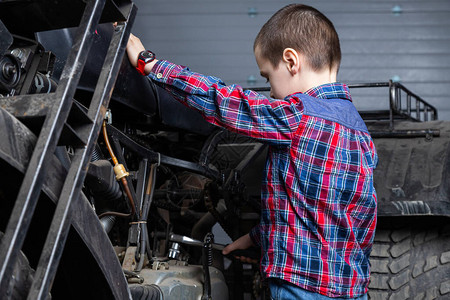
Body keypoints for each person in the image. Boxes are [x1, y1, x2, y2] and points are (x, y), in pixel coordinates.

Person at [126, 4, 377, 299]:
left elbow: (226, 102)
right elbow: (332, 213)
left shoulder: (297, 116)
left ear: (291, 61)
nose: (270, 91)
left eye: (268, 77)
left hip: (301, 289)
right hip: (350, 288)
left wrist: (152, 66)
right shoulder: (360, 132)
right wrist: (257, 238)